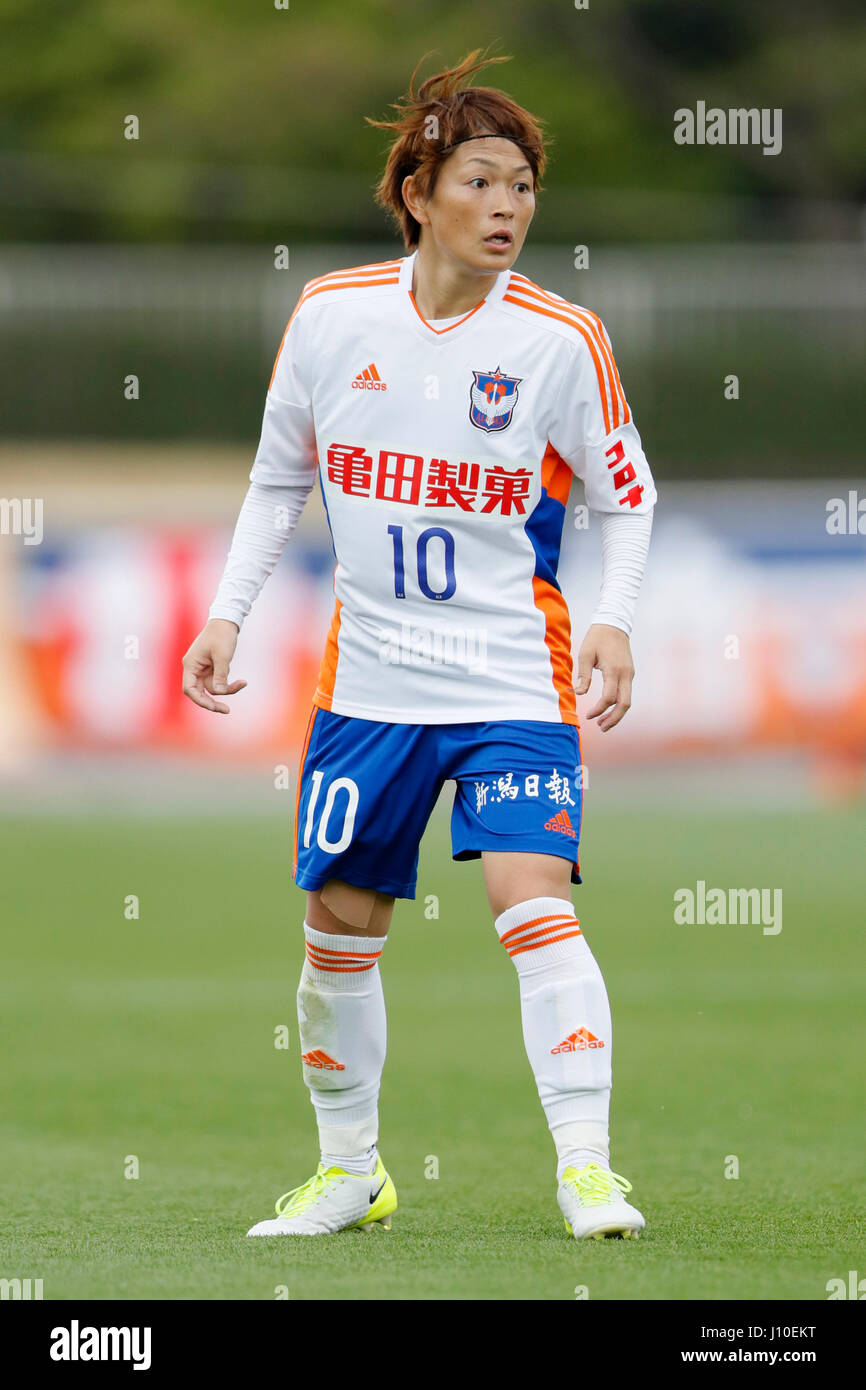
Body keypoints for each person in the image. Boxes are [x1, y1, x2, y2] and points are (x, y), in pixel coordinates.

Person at [182, 49, 657, 1240]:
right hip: (371, 684)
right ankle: (352, 1173)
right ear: (417, 192)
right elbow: (275, 480)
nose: (506, 206)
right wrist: (227, 612)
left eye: (524, 186)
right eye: (482, 181)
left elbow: (626, 496)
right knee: (338, 930)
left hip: (513, 675)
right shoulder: (331, 317)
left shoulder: (559, 339)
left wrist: (613, 616)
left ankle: (588, 1169)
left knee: (528, 898)